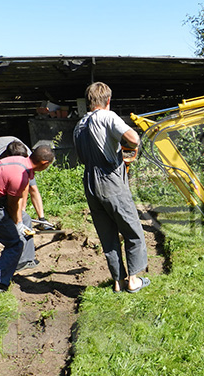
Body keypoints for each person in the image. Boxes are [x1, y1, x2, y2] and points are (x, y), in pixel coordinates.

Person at [73, 81, 149, 293]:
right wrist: (126, 147)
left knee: (108, 235)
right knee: (132, 230)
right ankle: (133, 281)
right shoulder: (107, 116)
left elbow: (82, 158)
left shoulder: (79, 125)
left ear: (89, 102)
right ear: (108, 100)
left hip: (90, 182)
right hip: (110, 182)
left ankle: (118, 281)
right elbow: (133, 139)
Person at [0, 145, 55, 295]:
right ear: (44, 163)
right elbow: (12, 204)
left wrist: (21, 221)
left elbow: (18, 199)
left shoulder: (21, 162)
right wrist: (17, 224)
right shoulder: (20, 175)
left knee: (26, 218)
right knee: (15, 242)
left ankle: (24, 260)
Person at [0, 136, 52, 230]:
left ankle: (42, 221)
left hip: (19, 152)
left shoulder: (31, 157)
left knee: (29, 187)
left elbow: (27, 188)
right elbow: (12, 199)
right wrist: (17, 219)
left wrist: (21, 213)